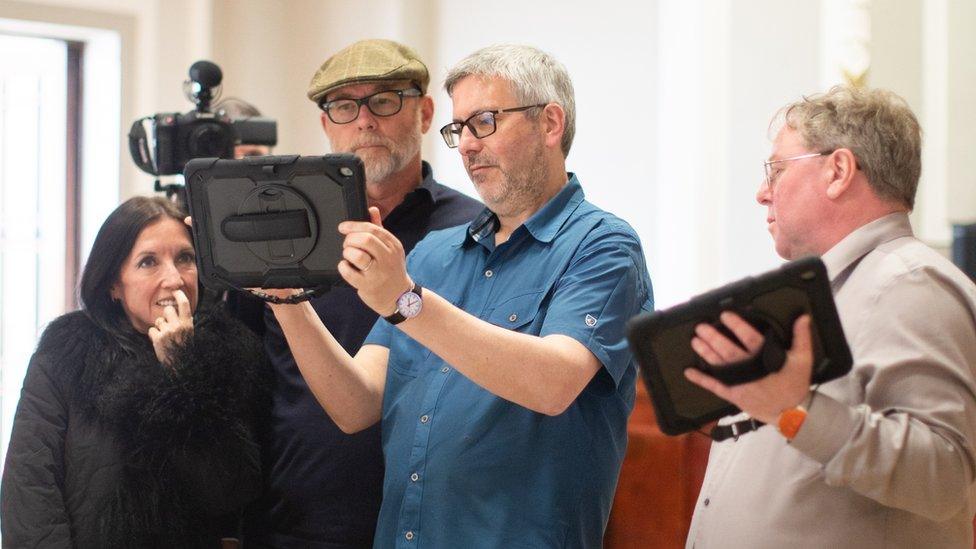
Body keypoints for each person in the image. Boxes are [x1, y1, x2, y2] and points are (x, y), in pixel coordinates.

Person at [266, 44, 653, 548]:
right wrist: (285, 298)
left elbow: (553, 383)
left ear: (550, 124)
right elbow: (355, 404)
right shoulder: (433, 254)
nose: (467, 145)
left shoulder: (603, 246)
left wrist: (406, 302)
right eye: (460, 129)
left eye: (485, 122)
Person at [683, 86, 976, 548]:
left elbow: (944, 477)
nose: (762, 193)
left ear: (838, 171)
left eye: (776, 169)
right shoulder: (823, 291)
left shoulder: (909, 284)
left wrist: (794, 412)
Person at [241, 39, 482, 548]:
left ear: (425, 112)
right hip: (295, 522)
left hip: (434, 522)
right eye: (345, 106)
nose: (365, 120)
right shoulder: (285, 234)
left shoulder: (475, 232)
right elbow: (248, 385)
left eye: (385, 100)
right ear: (327, 124)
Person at [0, 196, 270, 548]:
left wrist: (183, 368)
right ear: (115, 283)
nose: (173, 278)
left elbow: (231, 492)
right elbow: (30, 488)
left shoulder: (230, 349)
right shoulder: (67, 351)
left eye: (185, 258)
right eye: (148, 262)